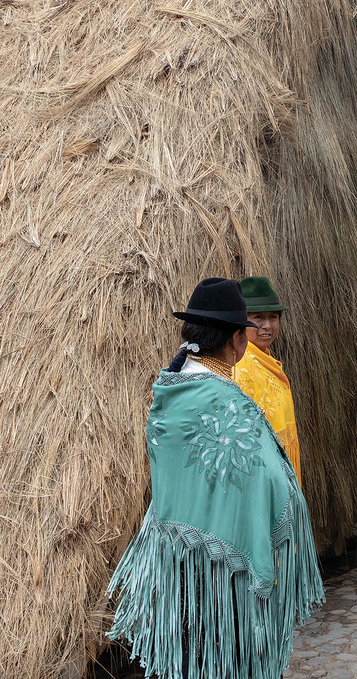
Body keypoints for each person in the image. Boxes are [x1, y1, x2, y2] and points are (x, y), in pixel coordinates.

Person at [107, 277, 323, 679]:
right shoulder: (227, 400)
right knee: (225, 659)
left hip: (179, 565)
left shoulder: (169, 392)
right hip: (225, 575)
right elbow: (273, 481)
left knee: (193, 659)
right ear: (238, 340)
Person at [231, 275, 302, 479]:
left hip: (281, 473)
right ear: (241, 323)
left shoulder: (268, 363)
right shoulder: (240, 369)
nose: (268, 325)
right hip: (263, 476)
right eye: (258, 317)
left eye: (273, 317)